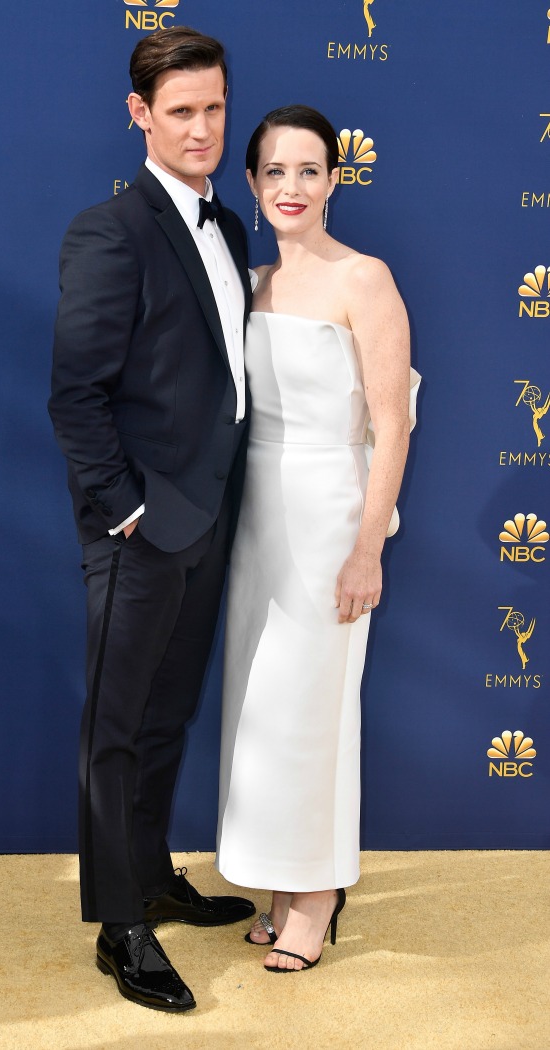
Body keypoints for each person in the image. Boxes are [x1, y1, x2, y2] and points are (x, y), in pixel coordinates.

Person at [48, 27, 255, 1013]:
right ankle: (118, 925)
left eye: (214, 108)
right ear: (139, 114)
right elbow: (75, 395)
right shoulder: (109, 229)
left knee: (169, 713)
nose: (202, 128)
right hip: (138, 522)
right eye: (181, 111)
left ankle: (154, 873)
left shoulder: (232, 226)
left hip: (210, 516)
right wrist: (122, 508)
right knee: (118, 725)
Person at [215, 105, 416, 973]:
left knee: (314, 711)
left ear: (334, 180)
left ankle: (318, 895)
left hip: (331, 511)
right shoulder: (250, 283)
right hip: (255, 515)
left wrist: (367, 545)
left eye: (308, 170)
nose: (290, 187)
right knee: (261, 710)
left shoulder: (364, 278)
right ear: (252, 187)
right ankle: (277, 882)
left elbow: (393, 424)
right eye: (274, 173)